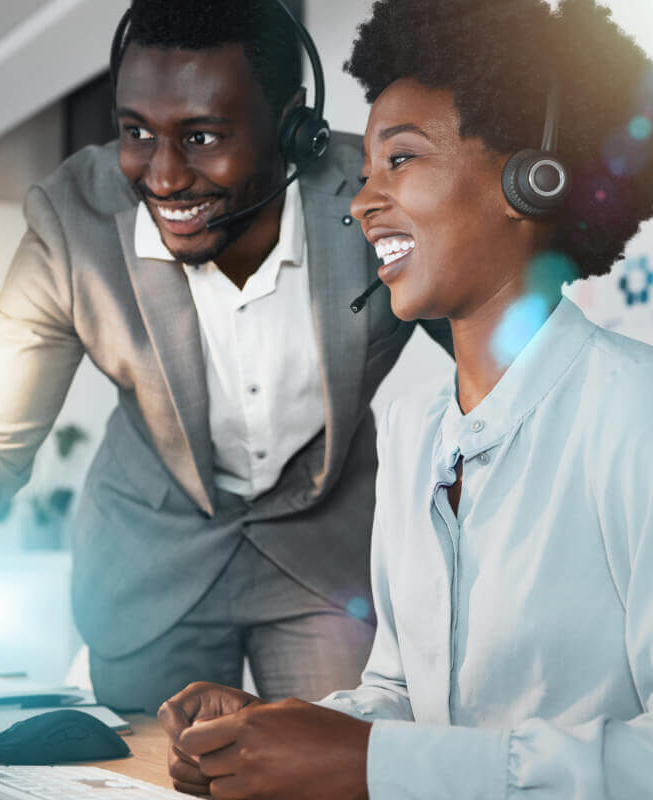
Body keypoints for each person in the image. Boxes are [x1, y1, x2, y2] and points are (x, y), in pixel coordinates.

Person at [0, 0, 452, 712]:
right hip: (150, 557)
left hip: (325, 560)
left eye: (202, 135)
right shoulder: (73, 220)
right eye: (135, 132)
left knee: (336, 767)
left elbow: (497, 356)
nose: (162, 175)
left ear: (291, 123)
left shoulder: (371, 198)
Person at [157, 0, 653, 796]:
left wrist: (368, 764)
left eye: (402, 161)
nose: (360, 202)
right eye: (363, 176)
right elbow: (406, 697)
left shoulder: (635, 413)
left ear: (529, 181)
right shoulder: (416, 429)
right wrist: (275, 730)